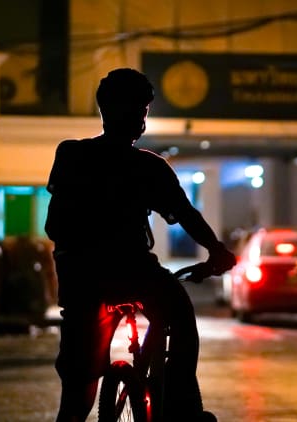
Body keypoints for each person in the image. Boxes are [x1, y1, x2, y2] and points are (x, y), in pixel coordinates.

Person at [44, 68, 236, 422]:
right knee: (181, 320)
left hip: (80, 280)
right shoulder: (149, 166)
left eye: (143, 110)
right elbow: (186, 214)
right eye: (139, 109)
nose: (141, 118)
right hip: (136, 274)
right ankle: (182, 412)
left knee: (78, 384)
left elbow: (54, 225)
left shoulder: (70, 155)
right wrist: (217, 252)